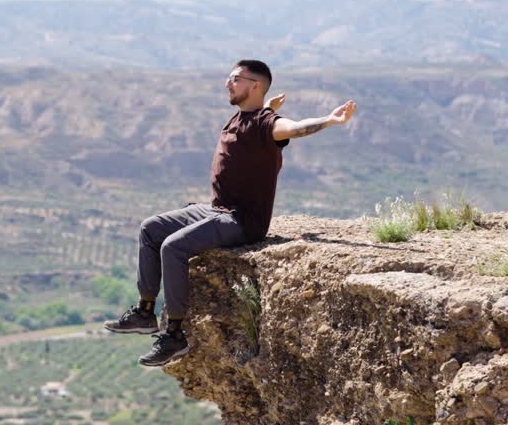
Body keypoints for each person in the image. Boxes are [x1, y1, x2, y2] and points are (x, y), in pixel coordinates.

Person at [104, 59, 357, 367]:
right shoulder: (244, 116)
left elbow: (293, 128)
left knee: (173, 247)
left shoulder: (266, 123)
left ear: (255, 86)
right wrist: (268, 105)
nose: (227, 82)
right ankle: (145, 313)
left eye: (236, 78)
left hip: (241, 220)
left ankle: (174, 335)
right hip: (215, 210)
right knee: (151, 228)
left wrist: (329, 121)